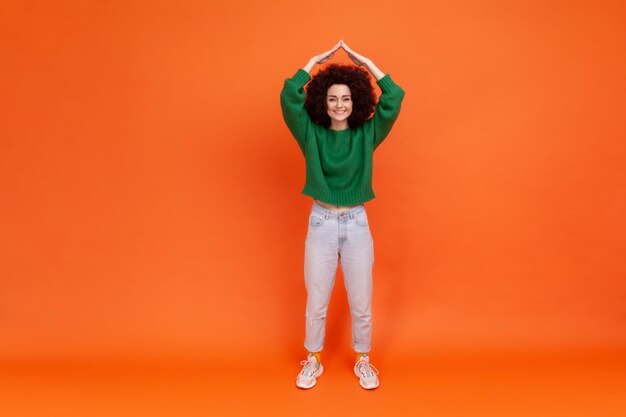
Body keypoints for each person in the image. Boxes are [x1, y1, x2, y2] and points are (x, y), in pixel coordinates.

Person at [280, 40, 405, 390]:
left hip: (356, 224)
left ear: (356, 102)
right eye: (333, 98)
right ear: (323, 101)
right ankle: (314, 359)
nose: (339, 104)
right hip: (321, 222)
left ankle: (364, 360)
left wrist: (367, 62)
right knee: (317, 300)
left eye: (346, 98)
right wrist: (311, 63)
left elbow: (394, 98)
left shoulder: (367, 134)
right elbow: (289, 97)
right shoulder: (312, 134)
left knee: (361, 300)